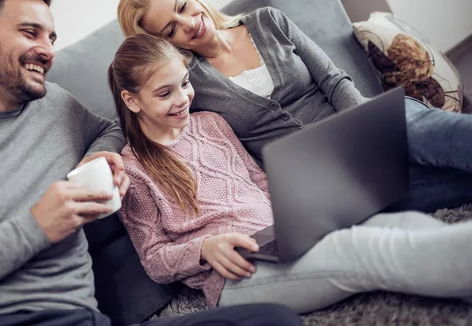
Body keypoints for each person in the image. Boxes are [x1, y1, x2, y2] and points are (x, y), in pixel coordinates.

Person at [0, 0, 303, 326]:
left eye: (51, 36)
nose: (47, 49)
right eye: (29, 32)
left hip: (86, 318)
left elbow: (114, 130)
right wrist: (37, 227)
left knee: (273, 321)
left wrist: (97, 156)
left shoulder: (53, 104)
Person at [108, 33, 472, 314]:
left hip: (282, 237)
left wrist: (302, 211)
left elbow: (259, 181)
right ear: (132, 100)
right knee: (361, 250)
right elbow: (155, 258)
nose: (183, 98)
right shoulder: (132, 168)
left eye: (185, 83)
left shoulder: (212, 123)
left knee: (399, 224)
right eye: (164, 93)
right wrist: (204, 248)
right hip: (235, 276)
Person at [117, 0, 472, 214]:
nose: (189, 22)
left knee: (428, 132)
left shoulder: (268, 21)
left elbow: (334, 80)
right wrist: (101, 156)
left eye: (182, 6)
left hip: (364, 122)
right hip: (328, 179)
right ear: (164, 44)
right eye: (171, 29)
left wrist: (360, 129)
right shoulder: (189, 85)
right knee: (431, 189)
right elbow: (140, 119)